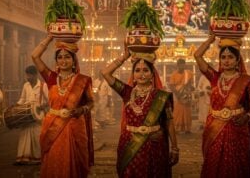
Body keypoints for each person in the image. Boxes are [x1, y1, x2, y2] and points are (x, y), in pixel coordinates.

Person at [101, 46, 179, 177]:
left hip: (154, 147)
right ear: (133, 75)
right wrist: (124, 57)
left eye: (145, 70)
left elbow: (169, 122)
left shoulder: (161, 96)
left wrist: (175, 148)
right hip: (130, 145)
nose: (141, 74)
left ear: (152, 74)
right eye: (137, 70)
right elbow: (106, 73)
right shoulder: (126, 92)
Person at [194, 35, 250, 178]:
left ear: (237, 61)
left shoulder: (246, 81)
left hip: (237, 129)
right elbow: (197, 55)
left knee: (235, 166)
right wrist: (211, 39)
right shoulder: (214, 77)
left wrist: (247, 117)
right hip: (215, 129)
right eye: (223, 57)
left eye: (230, 57)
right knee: (214, 162)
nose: (226, 60)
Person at [31, 35, 94, 178]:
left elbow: (91, 102)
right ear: (56, 61)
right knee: (54, 160)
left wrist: (81, 109)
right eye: (60, 57)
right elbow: (35, 56)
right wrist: (50, 37)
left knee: (76, 163)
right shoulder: (51, 78)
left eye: (67, 57)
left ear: (74, 61)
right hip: (53, 126)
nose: (63, 60)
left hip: (75, 125)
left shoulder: (83, 80)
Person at [14, 65, 48, 165]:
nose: (28, 77)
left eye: (30, 75)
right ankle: (23, 158)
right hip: (26, 115)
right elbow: (22, 99)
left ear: (35, 75)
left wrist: (41, 107)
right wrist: (17, 106)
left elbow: (50, 101)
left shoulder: (43, 86)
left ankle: (37, 158)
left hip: (38, 116)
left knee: (37, 137)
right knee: (24, 136)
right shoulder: (26, 85)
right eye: (27, 75)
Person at [169, 58, 194, 134]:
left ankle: (187, 129)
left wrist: (190, 89)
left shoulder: (188, 73)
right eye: (180, 65)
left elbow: (189, 83)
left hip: (186, 94)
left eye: (183, 64)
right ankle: (177, 128)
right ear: (177, 65)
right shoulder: (174, 74)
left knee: (187, 111)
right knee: (178, 111)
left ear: (185, 65)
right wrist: (178, 94)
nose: (182, 66)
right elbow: (171, 86)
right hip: (178, 95)